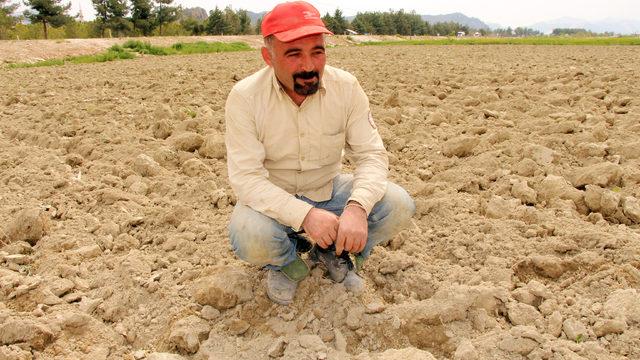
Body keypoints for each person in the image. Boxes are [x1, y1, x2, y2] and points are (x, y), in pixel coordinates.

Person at [225, 1, 415, 305]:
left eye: (317, 51)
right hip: (275, 199)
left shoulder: (346, 88)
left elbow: (371, 155)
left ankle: (332, 252)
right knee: (248, 233)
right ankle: (286, 263)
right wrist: (306, 215)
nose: (309, 66)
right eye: (293, 54)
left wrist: (356, 208)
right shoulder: (245, 98)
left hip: (328, 189)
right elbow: (247, 180)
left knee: (398, 205)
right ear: (268, 57)